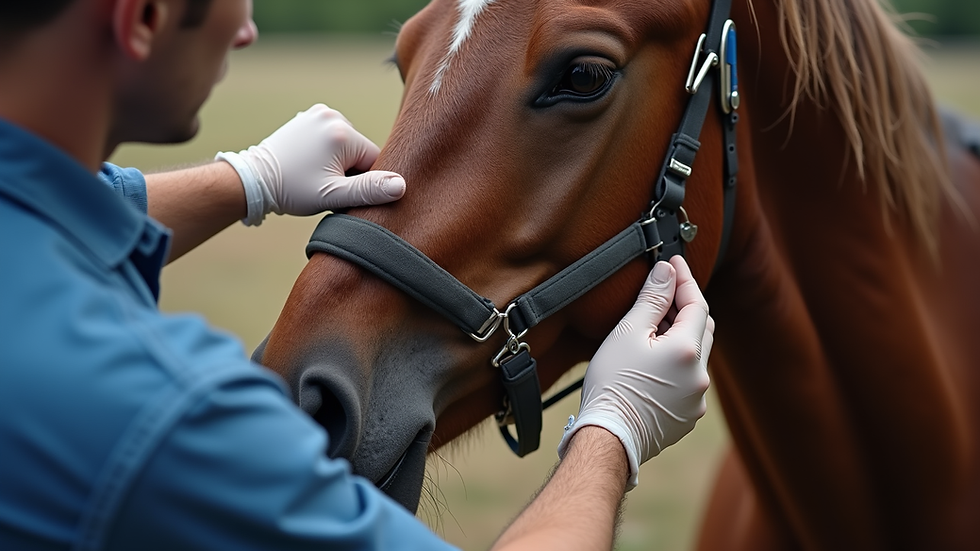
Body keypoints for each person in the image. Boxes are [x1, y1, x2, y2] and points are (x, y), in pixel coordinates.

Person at [0, 1, 715, 550]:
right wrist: (612, 429)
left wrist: (244, 181)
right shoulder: (161, 423)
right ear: (146, 15)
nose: (248, 28)